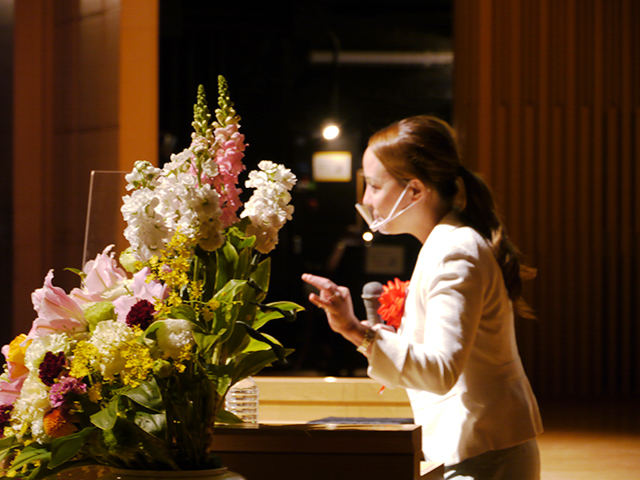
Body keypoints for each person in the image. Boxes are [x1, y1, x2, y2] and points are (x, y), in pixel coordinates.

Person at [302, 115, 543, 480]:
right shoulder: (445, 243)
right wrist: (359, 331)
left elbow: (441, 371)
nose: (366, 199)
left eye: (374, 186)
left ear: (415, 191)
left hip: (484, 453)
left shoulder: (454, 250)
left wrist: (357, 331)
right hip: (478, 449)